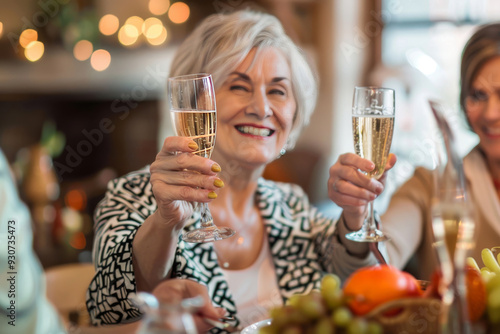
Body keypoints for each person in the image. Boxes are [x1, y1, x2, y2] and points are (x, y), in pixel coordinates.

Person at [86, 9, 380, 331]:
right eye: (239, 86)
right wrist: (165, 222)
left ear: (294, 114)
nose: (261, 108)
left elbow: (352, 283)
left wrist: (356, 213)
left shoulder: (291, 204)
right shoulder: (131, 195)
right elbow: (111, 307)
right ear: (195, 102)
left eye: (278, 91)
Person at [328, 22, 500, 280]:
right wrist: (356, 214)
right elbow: (370, 273)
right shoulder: (428, 187)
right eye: (477, 95)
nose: (491, 113)